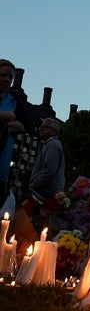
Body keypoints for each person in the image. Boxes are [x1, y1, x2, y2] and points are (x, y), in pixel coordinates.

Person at [0, 59, 35, 203]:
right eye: (3, 75)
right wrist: (6, 115)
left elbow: (27, 126)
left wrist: (6, 127)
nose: (7, 80)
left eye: (10, 77)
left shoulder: (14, 101)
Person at [28, 118, 65, 201]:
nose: (41, 129)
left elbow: (49, 171)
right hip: (48, 193)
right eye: (41, 126)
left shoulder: (52, 145)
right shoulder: (52, 144)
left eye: (45, 127)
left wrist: (33, 185)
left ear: (54, 131)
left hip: (45, 194)